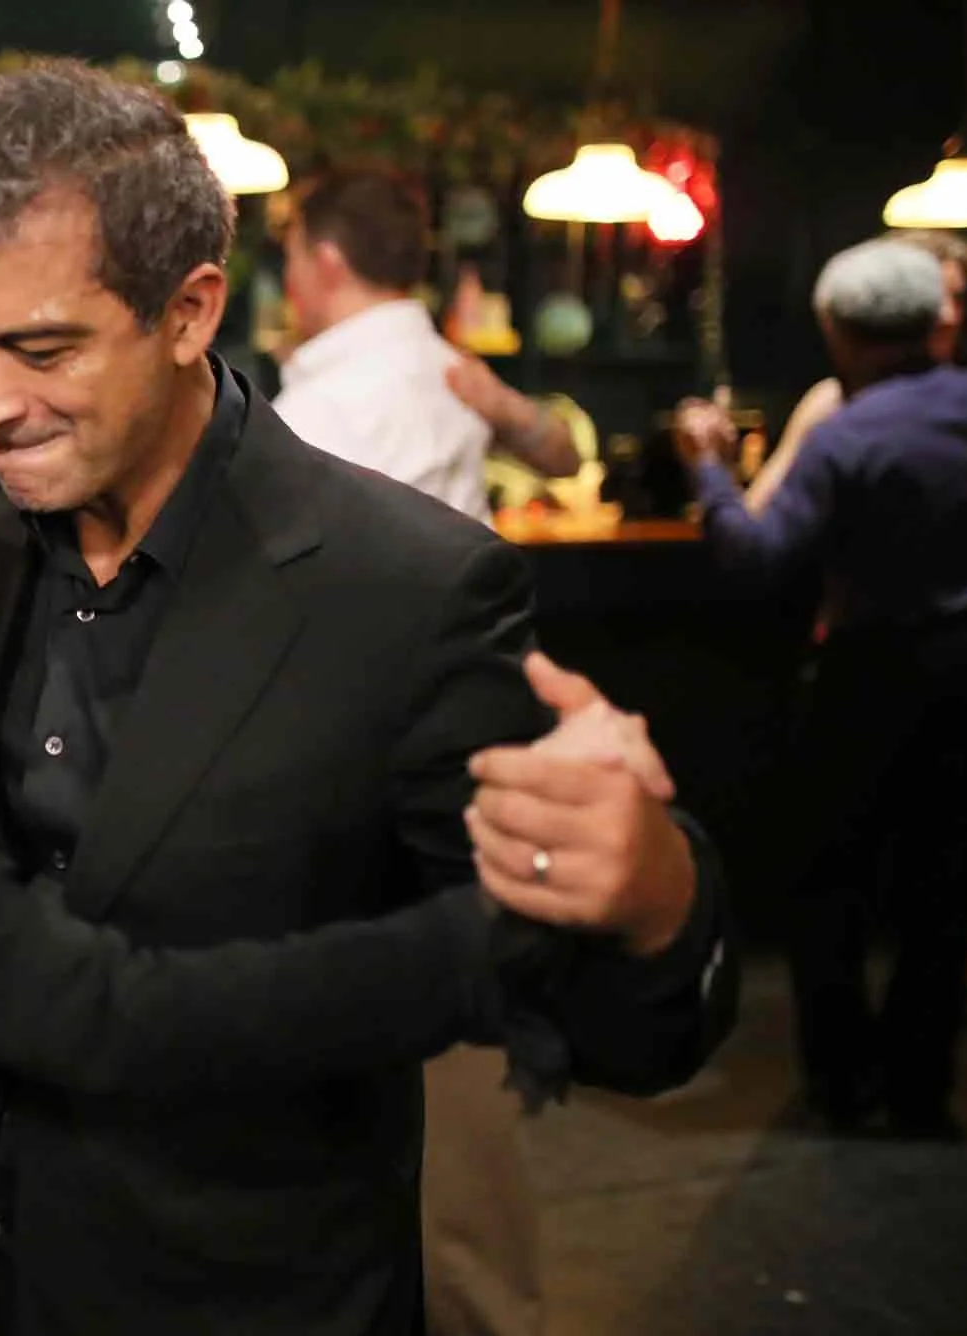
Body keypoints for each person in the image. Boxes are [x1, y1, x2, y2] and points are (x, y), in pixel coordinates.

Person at [0, 61, 735, 1336]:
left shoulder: (403, 591)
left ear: (189, 311)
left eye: (42, 349)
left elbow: (601, 1024)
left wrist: (658, 887)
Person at [273, 167, 580, 1336]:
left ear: (326, 260)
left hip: (367, 741)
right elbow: (558, 454)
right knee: (462, 1024)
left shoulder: (328, 400)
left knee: (422, 1046)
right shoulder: (446, 367)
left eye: (290, 256)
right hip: (471, 728)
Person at [675, 238, 967, 1139]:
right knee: (946, 887)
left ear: (839, 333)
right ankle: (921, 1093)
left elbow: (755, 559)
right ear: (938, 321)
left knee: (831, 881)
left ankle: (843, 1087)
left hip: (869, 674)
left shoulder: (849, 434)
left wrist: (707, 468)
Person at [272, 169, 579, 523]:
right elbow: (567, 461)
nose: (288, 277)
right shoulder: (455, 373)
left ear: (328, 262)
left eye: (293, 256)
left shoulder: (315, 407)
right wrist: (504, 408)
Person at [744, 228, 967, 516]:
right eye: (936, 298)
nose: (949, 315)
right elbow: (759, 513)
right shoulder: (832, 401)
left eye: (959, 298)